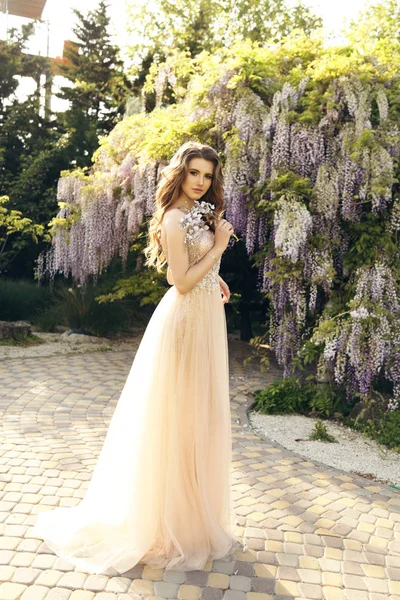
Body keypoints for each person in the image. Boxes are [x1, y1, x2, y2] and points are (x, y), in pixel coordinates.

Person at [31, 140, 241, 575]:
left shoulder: (199, 213)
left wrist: (215, 280)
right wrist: (218, 248)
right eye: (194, 173)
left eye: (207, 175)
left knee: (198, 418)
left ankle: (192, 518)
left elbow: (186, 272)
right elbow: (180, 282)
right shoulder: (172, 216)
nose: (201, 182)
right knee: (179, 417)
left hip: (205, 317)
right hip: (185, 321)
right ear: (180, 174)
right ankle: (168, 523)